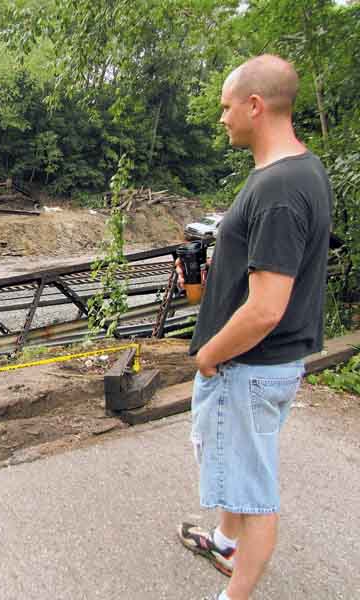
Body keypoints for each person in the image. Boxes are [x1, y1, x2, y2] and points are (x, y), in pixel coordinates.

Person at [175, 55, 333, 600]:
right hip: (259, 364)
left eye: (226, 107)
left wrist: (209, 355)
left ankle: (234, 595)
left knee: (252, 489)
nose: (222, 118)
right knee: (235, 465)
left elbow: (266, 308)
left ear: (255, 106)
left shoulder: (280, 191)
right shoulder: (293, 170)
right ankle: (223, 541)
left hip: (248, 366)